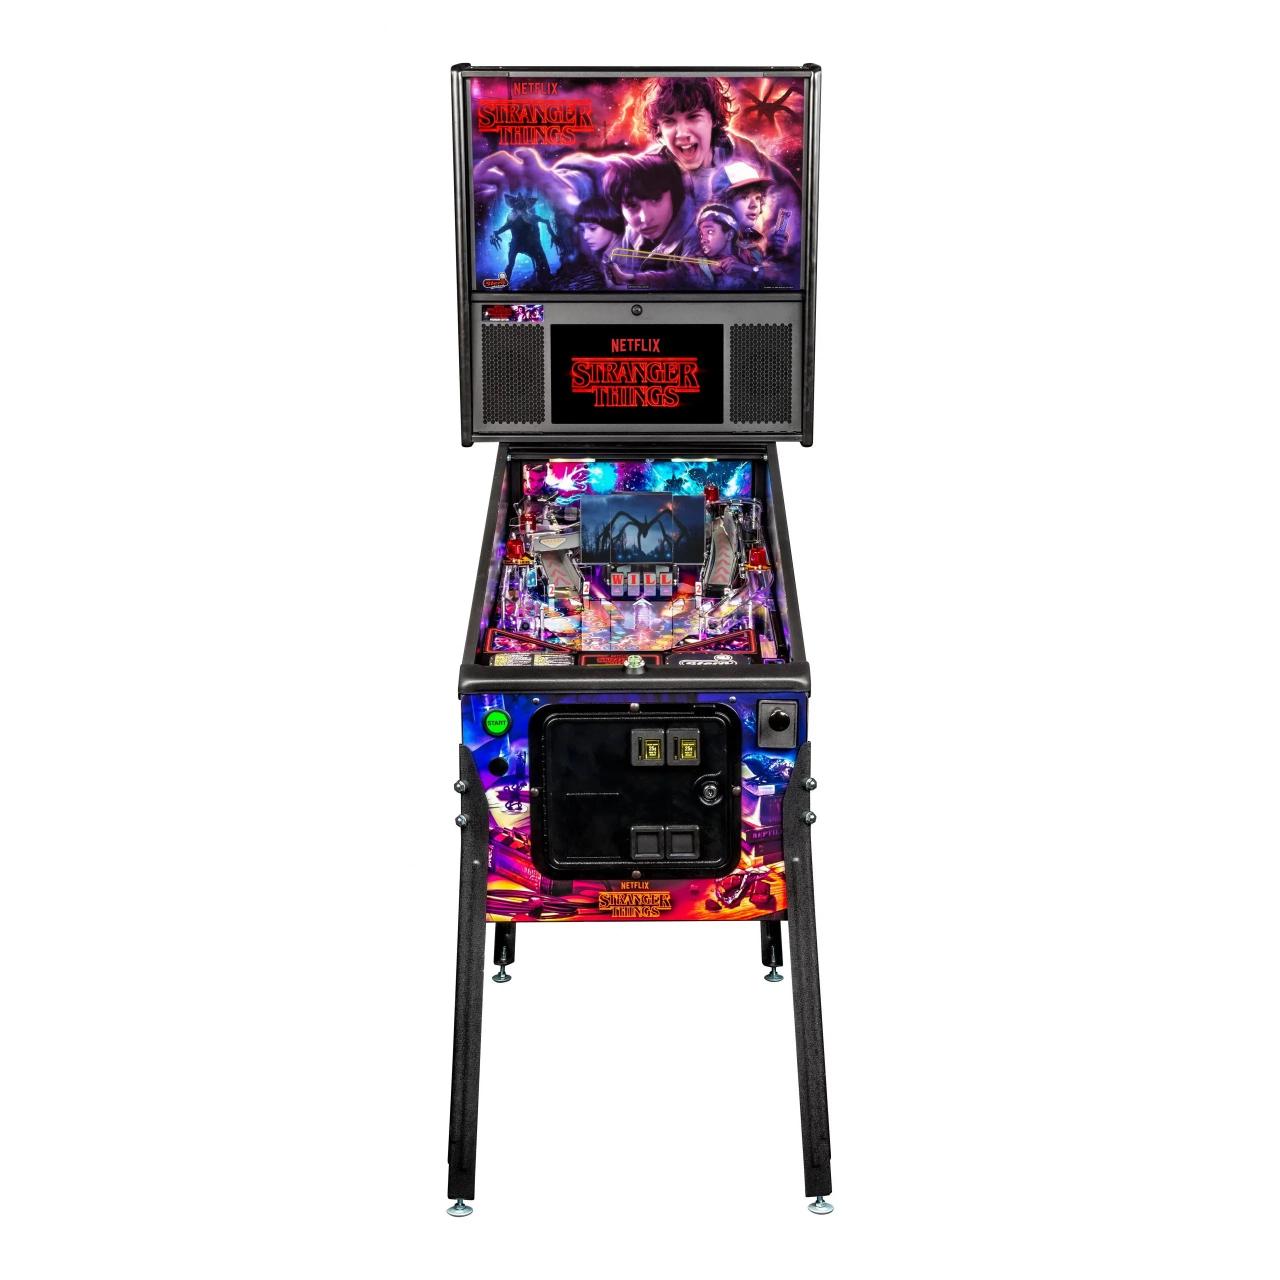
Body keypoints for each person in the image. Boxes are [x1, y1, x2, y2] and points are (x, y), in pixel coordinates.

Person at [601, 153, 699, 287]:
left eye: (655, 199)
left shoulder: (699, 234)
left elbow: (689, 281)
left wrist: (632, 279)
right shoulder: (629, 236)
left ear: (674, 195)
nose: (645, 218)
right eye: (632, 205)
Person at [694, 203, 756, 288]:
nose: (703, 240)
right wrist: (708, 271)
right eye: (701, 234)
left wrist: (748, 271)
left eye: (710, 232)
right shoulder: (695, 264)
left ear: (729, 235)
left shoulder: (751, 256)